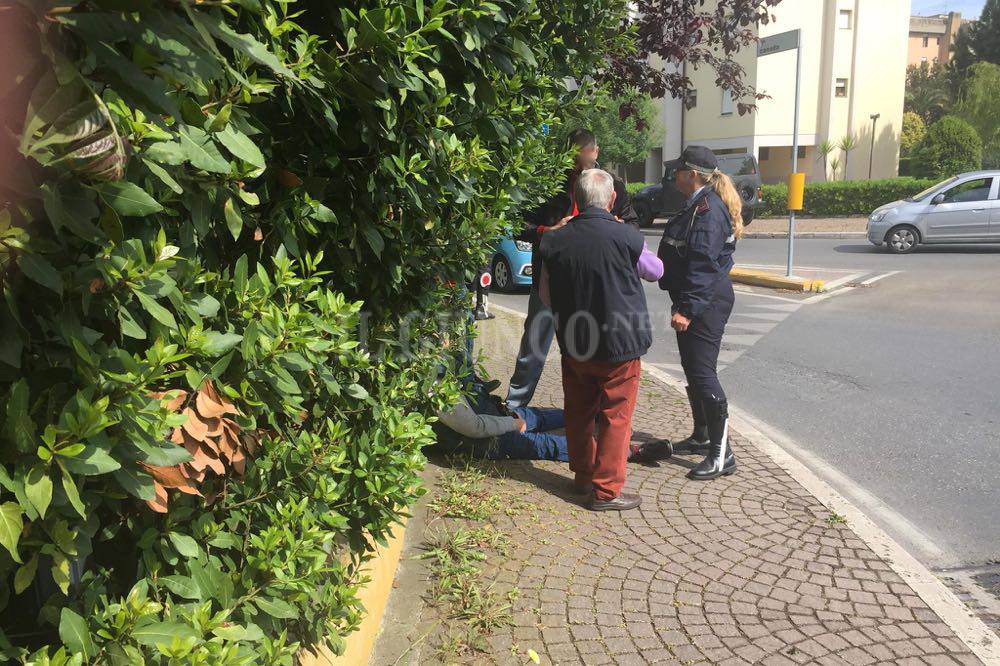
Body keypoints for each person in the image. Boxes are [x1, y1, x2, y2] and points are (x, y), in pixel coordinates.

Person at [538, 168, 659, 511]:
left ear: (576, 199)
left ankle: (583, 478)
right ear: (612, 199)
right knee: (615, 416)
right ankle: (607, 492)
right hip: (620, 346)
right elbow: (656, 271)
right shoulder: (627, 236)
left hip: (575, 343)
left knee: (578, 412)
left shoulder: (553, 240)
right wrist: (637, 240)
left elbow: (546, 296)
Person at [630, 146, 743, 481]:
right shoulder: (696, 205)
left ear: (692, 174)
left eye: (679, 170)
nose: (674, 175)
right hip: (694, 298)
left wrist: (688, 310)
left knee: (703, 373)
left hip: (705, 301)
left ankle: (723, 455)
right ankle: (703, 435)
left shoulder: (708, 211)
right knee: (693, 371)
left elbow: (704, 266)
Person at [506, 129, 638, 410]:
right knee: (534, 346)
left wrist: (614, 225)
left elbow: (633, 227)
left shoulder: (611, 185)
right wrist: (546, 230)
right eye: (574, 165)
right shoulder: (548, 185)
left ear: (596, 153)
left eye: (585, 165)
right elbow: (517, 224)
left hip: (595, 284)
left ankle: (593, 414)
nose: (579, 171)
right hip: (550, 281)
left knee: (593, 348)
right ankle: (514, 407)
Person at [432, 377, 569, 462]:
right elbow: (474, 427)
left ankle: (585, 417)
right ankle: (588, 449)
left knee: (535, 416)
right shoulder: (432, 382)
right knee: (546, 444)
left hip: (493, 413)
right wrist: (513, 423)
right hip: (487, 438)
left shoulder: (437, 358)